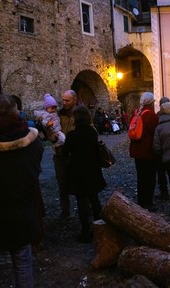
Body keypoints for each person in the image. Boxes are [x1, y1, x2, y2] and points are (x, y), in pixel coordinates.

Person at [0, 94, 44, 287]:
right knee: (22, 263)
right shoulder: (33, 141)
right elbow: (35, 170)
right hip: (22, 211)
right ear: (16, 112)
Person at [62, 105, 106, 243]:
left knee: (81, 201)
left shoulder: (72, 135)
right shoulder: (92, 132)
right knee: (94, 200)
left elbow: (65, 152)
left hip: (78, 171)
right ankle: (101, 229)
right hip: (92, 169)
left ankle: (85, 231)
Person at [129, 92, 159, 211]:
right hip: (148, 152)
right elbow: (155, 133)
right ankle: (148, 202)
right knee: (150, 178)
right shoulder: (151, 115)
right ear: (151, 103)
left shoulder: (136, 114)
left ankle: (141, 201)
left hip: (137, 151)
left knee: (141, 177)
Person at [52, 89, 78, 219]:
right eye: (63, 100)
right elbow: (53, 132)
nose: (64, 103)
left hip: (75, 155)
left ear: (74, 100)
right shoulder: (58, 114)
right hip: (60, 154)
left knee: (79, 182)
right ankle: (65, 211)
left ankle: (84, 208)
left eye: (67, 100)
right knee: (62, 183)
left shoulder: (80, 114)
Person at [156, 96, 170, 200]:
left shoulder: (158, 117)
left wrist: (157, 150)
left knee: (162, 174)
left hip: (162, 150)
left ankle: (164, 192)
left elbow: (155, 136)